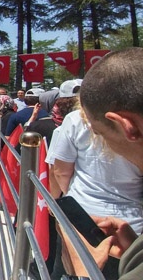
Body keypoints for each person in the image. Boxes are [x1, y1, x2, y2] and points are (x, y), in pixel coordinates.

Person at [57, 48, 143, 280]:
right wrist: (137, 251)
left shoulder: (73, 121)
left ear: (126, 126)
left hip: (87, 216)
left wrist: (84, 274)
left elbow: (61, 170)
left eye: (100, 134)